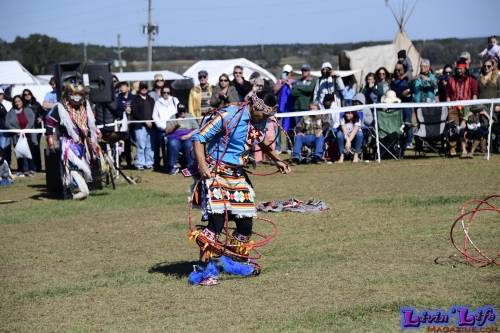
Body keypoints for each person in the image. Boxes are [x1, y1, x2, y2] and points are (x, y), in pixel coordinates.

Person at [190, 91, 291, 286]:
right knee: (216, 224)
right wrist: (202, 167)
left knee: (245, 225)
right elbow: (198, 138)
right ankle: (205, 271)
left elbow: (260, 141)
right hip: (215, 172)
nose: (265, 119)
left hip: (237, 175)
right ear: (254, 106)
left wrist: (278, 160)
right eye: (263, 115)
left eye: (269, 116)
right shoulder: (230, 115)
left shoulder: (261, 119)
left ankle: (233, 262)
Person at [45, 82, 99, 199]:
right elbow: (49, 123)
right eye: (73, 94)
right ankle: (76, 191)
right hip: (69, 144)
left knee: (82, 166)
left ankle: (75, 190)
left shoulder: (85, 107)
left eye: (79, 94)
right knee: (73, 167)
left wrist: (95, 134)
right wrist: (50, 139)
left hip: (83, 143)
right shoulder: (60, 107)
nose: (76, 97)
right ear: (68, 95)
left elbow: (90, 124)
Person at [446, 60, 478, 157]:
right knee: (453, 127)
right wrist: (448, 105)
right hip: (453, 107)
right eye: (458, 69)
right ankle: (452, 148)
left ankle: (463, 148)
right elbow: (447, 93)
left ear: (465, 69)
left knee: (463, 129)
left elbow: (474, 93)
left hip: (466, 107)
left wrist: (472, 106)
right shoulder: (451, 79)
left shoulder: (471, 79)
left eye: (461, 69)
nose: (459, 71)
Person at [5, 95, 37, 176]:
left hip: (28, 135)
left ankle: (31, 169)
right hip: (16, 136)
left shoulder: (28, 110)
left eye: (19, 101)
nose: (17, 103)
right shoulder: (11, 112)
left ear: (22, 101)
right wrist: (17, 131)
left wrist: (24, 131)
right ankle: (21, 169)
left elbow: (31, 121)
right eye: (15, 102)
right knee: (19, 152)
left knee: (30, 152)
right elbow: (7, 123)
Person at [164, 103, 198, 175]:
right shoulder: (173, 117)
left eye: (183, 111)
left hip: (188, 136)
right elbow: (167, 131)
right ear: (178, 111)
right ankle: (172, 166)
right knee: (172, 143)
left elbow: (197, 128)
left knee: (189, 144)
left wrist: (188, 135)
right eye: (180, 111)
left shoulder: (189, 116)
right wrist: (176, 125)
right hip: (175, 137)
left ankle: (191, 166)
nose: (182, 113)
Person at [152, 86, 179, 171]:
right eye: (164, 92)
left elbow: (180, 113)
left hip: (175, 128)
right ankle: (167, 165)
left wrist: (175, 125)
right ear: (161, 93)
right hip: (162, 129)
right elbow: (155, 116)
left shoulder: (175, 100)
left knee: (174, 145)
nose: (166, 94)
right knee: (164, 147)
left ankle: (174, 164)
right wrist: (162, 126)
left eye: (168, 92)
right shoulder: (158, 102)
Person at [477, 58, 500, 153]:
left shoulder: (497, 77)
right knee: (484, 126)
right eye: (485, 66)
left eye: (489, 66)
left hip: (494, 106)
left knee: (493, 126)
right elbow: (477, 92)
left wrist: (499, 104)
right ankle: (485, 149)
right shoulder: (479, 78)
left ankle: (495, 147)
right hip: (482, 106)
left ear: (492, 67)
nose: (486, 68)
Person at [131, 82, 156, 170]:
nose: (144, 89)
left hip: (151, 126)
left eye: (145, 87)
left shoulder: (151, 99)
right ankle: (139, 163)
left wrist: (152, 121)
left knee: (149, 145)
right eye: (142, 87)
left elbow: (155, 111)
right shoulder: (135, 100)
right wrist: (145, 121)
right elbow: (135, 113)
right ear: (139, 89)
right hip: (140, 126)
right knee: (141, 145)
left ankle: (149, 162)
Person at [391, 62, 413, 149]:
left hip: (407, 105)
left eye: (399, 70)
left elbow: (412, 90)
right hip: (396, 105)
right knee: (397, 124)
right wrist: (401, 94)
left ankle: (409, 141)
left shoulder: (408, 81)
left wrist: (409, 92)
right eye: (395, 70)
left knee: (407, 123)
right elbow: (393, 93)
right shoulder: (392, 82)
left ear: (404, 70)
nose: (397, 71)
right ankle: (398, 141)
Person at [273, 64, 295, 153]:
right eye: (284, 72)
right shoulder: (279, 81)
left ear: (290, 73)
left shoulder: (293, 81)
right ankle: (278, 147)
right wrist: (282, 83)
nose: (285, 74)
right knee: (277, 127)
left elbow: (294, 92)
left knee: (288, 126)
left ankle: (289, 147)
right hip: (279, 108)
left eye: (287, 73)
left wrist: (290, 85)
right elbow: (275, 91)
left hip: (289, 107)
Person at [22, 89, 45, 171]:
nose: (27, 95)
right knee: (28, 148)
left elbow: (43, 112)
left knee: (36, 147)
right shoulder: (22, 105)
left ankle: (38, 167)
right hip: (26, 129)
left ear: (31, 94)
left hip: (36, 129)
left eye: (28, 94)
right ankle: (30, 167)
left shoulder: (36, 104)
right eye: (25, 94)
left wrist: (41, 118)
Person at [115, 82, 134, 168]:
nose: (122, 88)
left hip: (133, 123)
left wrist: (131, 111)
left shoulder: (133, 97)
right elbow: (116, 110)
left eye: (123, 86)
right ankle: (121, 162)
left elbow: (137, 108)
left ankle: (131, 162)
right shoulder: (117, 98)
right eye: (120, 87)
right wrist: (123, 111)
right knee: (122, 143)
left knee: (130, 143)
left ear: (128, 87)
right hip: (122, 124)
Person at [0, 88, 13, 167]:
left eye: (0, 94)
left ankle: (7, 166)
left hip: (6, 131)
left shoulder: (8, 104)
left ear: (3, 95)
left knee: (6, 149)